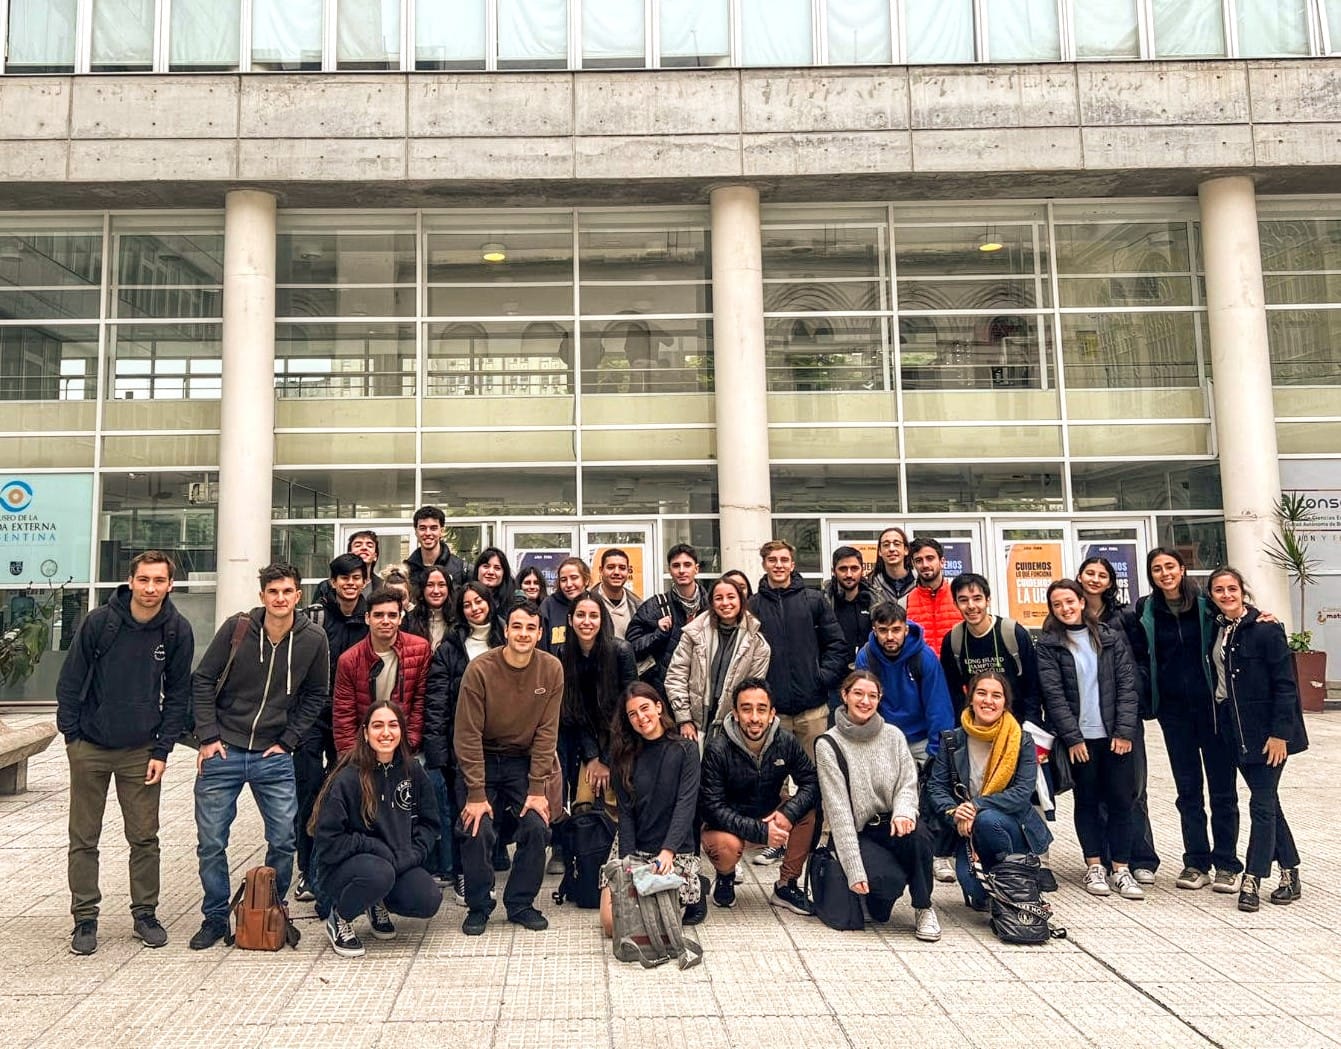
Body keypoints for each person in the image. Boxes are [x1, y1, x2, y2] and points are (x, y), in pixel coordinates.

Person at [56, 550, 194, 955]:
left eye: (159, 581)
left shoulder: (176, 630)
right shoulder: (100, 623)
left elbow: (179, 695)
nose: (151, 588)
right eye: (144, 579)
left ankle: (145, 914)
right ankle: (84, 918)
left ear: (170, 585)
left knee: (145, 838)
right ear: (131, 581)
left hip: (142, 750)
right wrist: (72, 738)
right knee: (84, 837)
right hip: (90, 747)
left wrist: (163, 749)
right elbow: (70, 681)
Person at [189, 562, 330, 950]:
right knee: (211, 842)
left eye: (287, 591)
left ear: (298, 595)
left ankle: (272, 909)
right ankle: (215, 917)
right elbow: (202, 679)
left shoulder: (313, 638)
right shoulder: (238, 629)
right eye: (273, 592)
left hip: (273, 754)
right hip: (225, 749)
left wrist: (289, 740)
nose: (280, 598)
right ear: (263, 595)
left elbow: (318, 693)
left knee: (284, 838)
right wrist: (208, 736)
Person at [1135, 548, 1243, 893]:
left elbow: (1238, 618)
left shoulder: (1206, 605)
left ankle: (1227, 862)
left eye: (1170, 566)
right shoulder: (1146, 610)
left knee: (1223, 790)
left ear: (1182, 569)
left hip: (1213, 711)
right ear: (1151, 575)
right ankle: (1196, 861)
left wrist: (1263, 617)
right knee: (1188, 791)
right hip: (1174, 713)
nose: (1164, 573)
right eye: (1157, 569)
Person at [454, 599, 563, 935]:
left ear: (540, 632)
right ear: (505, 630)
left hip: (522, 761)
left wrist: (536, 790)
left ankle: (520, 903)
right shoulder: (480, 669)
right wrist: (475, 792)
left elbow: (547, 734)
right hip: (482, 758)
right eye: (517, 626)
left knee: (536, 825)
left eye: (531, 627)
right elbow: (467, 734)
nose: (523, 633)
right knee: (477, 827)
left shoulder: (551, 669)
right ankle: (479, 905)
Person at [1204, 566, 1308, 913]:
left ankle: (1253, 878)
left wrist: (1281, 734)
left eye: (1231, 588)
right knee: (1269, 803)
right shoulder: (1218, 629)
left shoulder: (1265, 629)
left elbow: (1285, 684)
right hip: (1234, 732)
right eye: (1219, 590)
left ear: (1242, 590)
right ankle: (1290, 871)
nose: (1226, 595)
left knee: (1260, 804)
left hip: (1266, 735)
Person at [1036, 580, 1143, 900]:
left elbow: (1127, 686)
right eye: (1057, 604)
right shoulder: (1050, 644)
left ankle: (1121, 868)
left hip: (1115, 738)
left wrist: (1125, 732)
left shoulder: (1110, 639)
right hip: (1080, 740)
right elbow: (1052, 696)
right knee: (1087, 801)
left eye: (1070, 601)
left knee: (1123, 801)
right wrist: (1072, 738)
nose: (1065, 608)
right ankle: (1094, 864)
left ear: (1082, 602)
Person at [310, 700, 442, 957]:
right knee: (378, 874)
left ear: (402, 731)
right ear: (365, 732)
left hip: (395, 862)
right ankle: (340, 918)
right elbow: (328, 841)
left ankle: (375, 902)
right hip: (345, 869)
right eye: (377, 725)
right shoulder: (348, 778)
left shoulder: (412, 770)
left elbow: (430, 824)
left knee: (428, 899)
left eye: (393, 725)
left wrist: (411, 855)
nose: (385, 733)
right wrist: (374, 846)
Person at [815, 671, 940, 941]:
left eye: (872, 695)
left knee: (919, 835)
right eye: (858, 693)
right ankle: (875, 896)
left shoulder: (893, 735)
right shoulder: (829, 744)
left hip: (893, 822)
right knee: (887, 881)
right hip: (860, 831)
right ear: (845, 696)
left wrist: (904, 812)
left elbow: (908, 784)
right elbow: (839, 814)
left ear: (879, 699)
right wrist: (854, 870)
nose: (865, 701)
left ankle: (924, 907)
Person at [926, 672, 1052, 912]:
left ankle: (1013, 878)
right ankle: (993, 885)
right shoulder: (952, 740)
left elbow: (1022, 792)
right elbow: (936, 786)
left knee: (987, 819)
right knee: (975, 893)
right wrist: (956, 813)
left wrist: (975, 807)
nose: (988, 701)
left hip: (1011, 825)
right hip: (968, 829)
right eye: (981, 693)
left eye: (997, 695)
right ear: (970, 697)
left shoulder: (1021, 740)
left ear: (1006, 702)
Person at [700, 679, 818, 914]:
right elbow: (711, 806)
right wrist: (762, 832)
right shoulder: (717, 748)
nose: (754, 717)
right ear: (735, 713)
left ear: (772, 713)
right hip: (727, 825)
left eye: (761, 709)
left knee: (807, 811)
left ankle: (786, 885)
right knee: (726, 846)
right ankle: (725, 877)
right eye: (746, 709)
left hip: (769, 812)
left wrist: (788, 812)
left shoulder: (786, 741)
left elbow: (811, 782)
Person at [1077, 556, 1159, 885]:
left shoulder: (1125, 617)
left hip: (1123, 715)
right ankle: (1108, 856)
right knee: (1095, 791)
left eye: (1102, 575)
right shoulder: (1073, 615)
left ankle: (1141, 857)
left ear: (1110, 582)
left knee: (1132, 789)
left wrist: (1132, 701)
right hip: (1090, 717)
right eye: (1089, 573)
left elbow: (1142, 661)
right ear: (1080, 577)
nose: (1095, 579)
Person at [422, 581, 506, 903]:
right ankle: (464, 875)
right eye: (468, 604)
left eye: (479, 602)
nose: (474, 608)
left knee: (493, 812)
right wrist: (438, 753)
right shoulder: (449, 648)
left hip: (500, 742)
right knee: (464, 810)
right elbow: (437, 703)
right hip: (461, 742)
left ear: (489, 603)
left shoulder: (505, 638)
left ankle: (486, 870)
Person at [295, 553, 371, 903]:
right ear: (334, 582)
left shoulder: (371, 616)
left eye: (357, 577)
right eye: (345, 578)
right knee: (310, 794)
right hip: (313, 717)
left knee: (349, 793)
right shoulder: (314, 617)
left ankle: (347, 865)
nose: (351, 583)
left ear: (365, 580)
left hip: (354, 718)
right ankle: (308, 871)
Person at [600, 683, 705, 934]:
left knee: (652, 924)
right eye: (632, 714)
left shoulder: (686, 749)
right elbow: (625, 815)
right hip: (634, 846)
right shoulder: (622, 755)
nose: (640, 717)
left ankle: (697, 886)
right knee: (613, 925)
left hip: (673, 850)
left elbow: (686, 805)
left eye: (645, 708)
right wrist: (628, 865)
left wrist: (668, 852)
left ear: (659, 707)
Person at [665, 576, 771, 745]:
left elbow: (753, 693)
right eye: (719, 598)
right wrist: (684, 719)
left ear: (741, 600)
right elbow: (675, 677)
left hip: (733, 728)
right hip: (693, 726)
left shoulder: (758, 645)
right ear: (712, 603)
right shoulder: (693, 634)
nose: (725, 603)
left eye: (731, 597)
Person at [556, 595, 637, 809]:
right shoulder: (564, 653)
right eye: (580, 615)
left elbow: (630, 710)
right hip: (587, 741)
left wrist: (608, 759)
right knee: (584, 803)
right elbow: (573, 712)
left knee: (616, 800)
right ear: (570, 619)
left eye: (594, 616)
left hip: (622, 739)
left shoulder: (621, 651)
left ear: (602, 620)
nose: (587, 622)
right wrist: (592, 757)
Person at [332, 589, 430, 757]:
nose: (386, 621)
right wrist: (352, 757)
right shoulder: (349, 660)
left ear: (400, 618)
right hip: (364, 749)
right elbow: (344, 715)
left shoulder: (420, 649)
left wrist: (409, 744)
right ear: (367, 618)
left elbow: (420, 703)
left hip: (407, 748)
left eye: (392, 615)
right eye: (378, 615)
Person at [855, 603, 955, 765]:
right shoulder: (866, 658)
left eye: (896, 630)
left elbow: (938, 707)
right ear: (874, 630)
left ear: (906, 629)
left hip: (921, 741)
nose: (889, 637)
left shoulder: (924, 657)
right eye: (883, 630)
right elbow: (860, 707)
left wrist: (936, 752)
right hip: (883, 739)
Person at [940, 572, 1040, 726]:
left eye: (977, 598)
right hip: (976, 728)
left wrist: (1031, 726)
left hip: (1016, 726)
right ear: (955, 604)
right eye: (963, 600)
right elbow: (953, 692)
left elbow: (1033, 686)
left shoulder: (1013, 633)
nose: (971, 606)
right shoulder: (953, 640)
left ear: (988, 600)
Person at [627, 544, 710, 694]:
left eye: (687, 565)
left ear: (696, 569)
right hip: (662, 691)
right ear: (669, 570)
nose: (682, 570)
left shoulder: (711, 607)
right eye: (676, 565)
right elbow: (631, 648)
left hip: (702, 690)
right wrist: (657, 634)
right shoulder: (655, 606)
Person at [902, 537, 962, 660]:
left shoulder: (960, 598)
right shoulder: (904, 602)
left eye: (930, 558)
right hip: (922, 675)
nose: (925, 565)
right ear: (913, 565)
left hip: (956, 675)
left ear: (942, 561)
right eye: (919, 560)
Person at [824, 545, 876, 664]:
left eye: (854, 568)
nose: (849, 574)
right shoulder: (824, 602)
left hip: (866, 673)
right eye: (843, 569)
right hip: (833, 675)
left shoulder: (874, 601)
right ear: (833, 571)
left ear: (862, 570)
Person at [406, 505, 467, 592]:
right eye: (422, 528)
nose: (428, 533)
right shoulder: (407, 571)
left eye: (433, 528)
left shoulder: (461, 569)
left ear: (442, 531)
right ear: (416, 532)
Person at [539, 556, 591, 653]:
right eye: (563, 580)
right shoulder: (548, 606)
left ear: (586, 580)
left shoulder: (595, 603)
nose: (568, 584)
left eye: (574, 578)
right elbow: (540, 648)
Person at [591, 547, 643, 640]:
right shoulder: (587, 601)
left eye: (622, 568)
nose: (616, 572)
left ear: (628, 571)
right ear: (601, 570)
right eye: (610, 567)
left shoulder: (638, 606)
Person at [403, 564, 453, 652]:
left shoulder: (457, 621)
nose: (436, 591)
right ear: (423, 589)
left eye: (441, 585)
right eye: (430, 585)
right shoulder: (409, 620)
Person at [869, 526, 915, 607]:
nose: (891, 549)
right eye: (886, 545)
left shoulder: (919, 582)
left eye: (896, 544)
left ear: (906, 550)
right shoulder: (871, 584)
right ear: (880, 551)